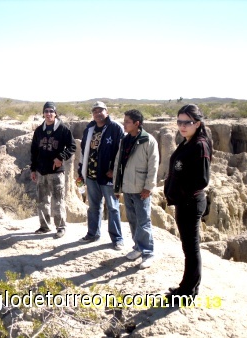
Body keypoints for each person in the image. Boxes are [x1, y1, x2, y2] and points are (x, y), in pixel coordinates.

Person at [164, 104, 212, 299]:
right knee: (188, 249)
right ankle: (186, 286)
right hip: (184, 202)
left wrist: (181, 193)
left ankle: (189, 292)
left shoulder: (199, 145)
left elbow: (202, 180)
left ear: (197, 123)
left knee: (192, 250)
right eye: (180, 122)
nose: (182, 126)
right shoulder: (188, 141)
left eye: (187, 122)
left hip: (190, 204)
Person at [113, 109, 159, 269]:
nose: (124, 124)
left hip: (141, 189)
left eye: (127, 121)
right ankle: (138, 247)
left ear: (136, 124)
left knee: (143, 221)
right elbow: (119, 163)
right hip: (128, 187)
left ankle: (148, 253)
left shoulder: (148, 141)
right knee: (132, 219)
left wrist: (148, 187)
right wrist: (117, 187)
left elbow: (153, 167)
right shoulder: (125, 140)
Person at [78, 101, 124, 250]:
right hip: (91, 175)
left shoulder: (115, 128)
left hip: (108, 176)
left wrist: (114, 170)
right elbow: (84, 151)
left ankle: (117, 239)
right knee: (94, 207)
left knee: (113, 208)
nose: (97, 113)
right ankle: (93, 233)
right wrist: (81, 171)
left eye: (100, 110)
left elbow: (122, 152)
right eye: (95, 111)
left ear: (107, 111)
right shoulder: (89, 129)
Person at [30, 102, 76, 239]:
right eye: (46, 111)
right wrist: (33, 169)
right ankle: (44, 226)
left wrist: (60, 158)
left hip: (56, 171)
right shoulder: (39, 130)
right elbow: (34, 151)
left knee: (58, 200)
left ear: (55, 113)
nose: (48, 114)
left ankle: (60, 227)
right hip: (41, 171)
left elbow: (72, 147)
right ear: (43, 114)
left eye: (51, 111)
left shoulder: (63, 129)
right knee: (42, 200)